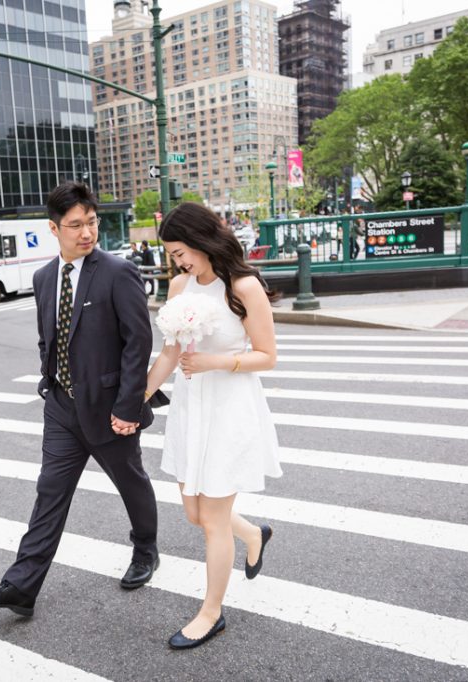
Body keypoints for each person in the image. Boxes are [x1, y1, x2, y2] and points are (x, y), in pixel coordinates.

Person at [0, 181, 159, 617]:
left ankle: (145, 548)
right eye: (75, 225)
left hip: (111, 409)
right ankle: (21, 586)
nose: (86, 232)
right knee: (49, 493)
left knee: (131, 481)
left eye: (91, 222)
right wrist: (48, 381)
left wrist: (128, 406)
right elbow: (47, 338)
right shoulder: (42, 278)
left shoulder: (117, 271)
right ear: (54, 229)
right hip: (61, 406)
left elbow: (138, 343)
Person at [143, 201, 282, 650]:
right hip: (191, 408)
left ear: (203, 240)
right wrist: (136, 398)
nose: (177, 261)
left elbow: (267, 355)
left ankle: (211, 613)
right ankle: (254, 533)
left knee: (213, 523)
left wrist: (213, 361)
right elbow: (169, 352)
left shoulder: (243, 287)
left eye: (181, 250)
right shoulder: (181, 285)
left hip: (229, 408)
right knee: (195, 513)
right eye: (172, 254)